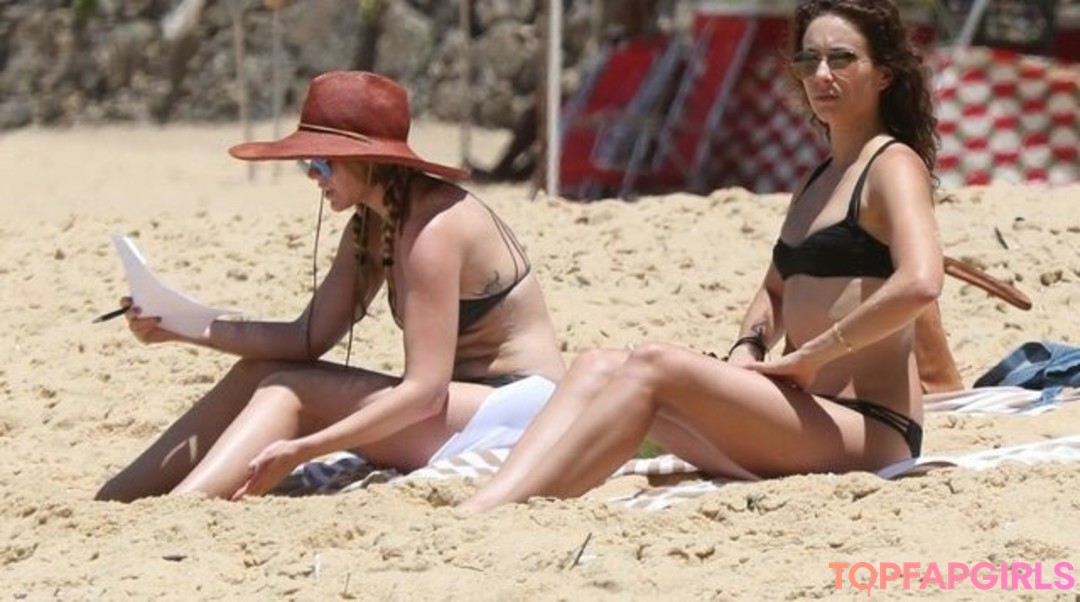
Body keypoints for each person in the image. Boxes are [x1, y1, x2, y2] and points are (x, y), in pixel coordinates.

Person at [460, 0, 943, 511]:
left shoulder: (893, 165)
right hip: (802, 410)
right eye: (809, 60)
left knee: (654, 364)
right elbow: (776, 289)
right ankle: (489, 502)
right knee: (596, 365)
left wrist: (812, 357)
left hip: (869, 429)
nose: (821, 75)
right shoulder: (816, 180)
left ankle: (516, 507)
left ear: (884, 73)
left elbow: (920, 282)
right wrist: (749, 348)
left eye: (841, 59)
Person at [96, 71, 566, 502]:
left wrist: (306, 447)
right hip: (464, 400)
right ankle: (116, 500)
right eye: (307, 163)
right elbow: (307, 338)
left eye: (321, 163)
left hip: (517, 409)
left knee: (289, 390)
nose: (311, 176)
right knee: (256, 372)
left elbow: (425, 392)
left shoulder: (432, 231)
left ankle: (184, 508)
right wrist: (178, 326)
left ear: (369, 161)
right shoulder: (373, 225)